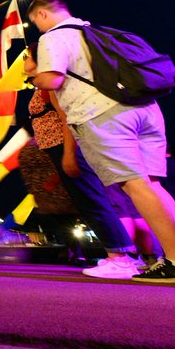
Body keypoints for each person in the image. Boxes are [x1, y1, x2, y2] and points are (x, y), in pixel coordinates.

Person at [25, 0, 175, 283]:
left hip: (103, 113)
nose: (38, 28)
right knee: (153, 184)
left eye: (36, 22)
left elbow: (53, 79)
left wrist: (34, 78)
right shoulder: (95, 32)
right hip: (144, 109)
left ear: (43, 15)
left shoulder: (53, 38)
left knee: (134, 184)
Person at [24, 64, 141, 278]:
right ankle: (119, 252)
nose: (23, 64)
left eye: (27, 58)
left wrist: (69, 153)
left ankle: (121, 256)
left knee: (91, 198)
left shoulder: (50, 85)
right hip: (56, 147)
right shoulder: (41, 86)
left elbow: (65, 118)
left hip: (65, 145)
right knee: (87, 200)